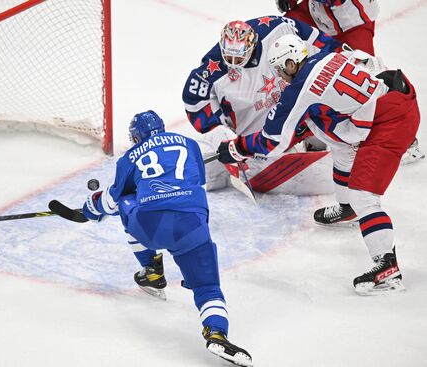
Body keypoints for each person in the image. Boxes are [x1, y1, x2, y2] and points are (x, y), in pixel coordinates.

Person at [216, 34, 420, 295]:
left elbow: (272, 142)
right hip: (395, 100)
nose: (280, 75)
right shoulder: (329, 56)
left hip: (391, 125)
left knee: (364, 196)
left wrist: (238, 148)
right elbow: (370, 64)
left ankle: (387, 269)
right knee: (341, 146)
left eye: (281, 69)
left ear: (291, 63)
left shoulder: (299, 88)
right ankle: (348, 208)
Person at [80, 110, 253, 366]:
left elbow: (111, 200)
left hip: (151, 226)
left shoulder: (129, 157)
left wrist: (90, 209)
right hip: (193, 226)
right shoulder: (190, 145)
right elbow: (198, 185)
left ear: (136, 136)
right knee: (208, 288)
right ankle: (217, 333)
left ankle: (151, 270)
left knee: (127, 201)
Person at [277, 0, 425, 223]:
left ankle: (405, 140)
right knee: (285, 32)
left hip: (352, 19)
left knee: (364, 77)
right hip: (321, 13)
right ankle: (313, 124)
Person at [182, 16, 340, 192]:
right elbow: (193, 98)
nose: (234, 63)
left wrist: (341, 58)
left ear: (253, 44)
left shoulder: (277, 28)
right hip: (254, 124)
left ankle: (311, 141)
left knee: (317, 103)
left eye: (239, 57)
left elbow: (319, 42)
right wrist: (218, 130)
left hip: (285, 102)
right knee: (267, 140)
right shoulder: (211, 69)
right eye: (229, 56)